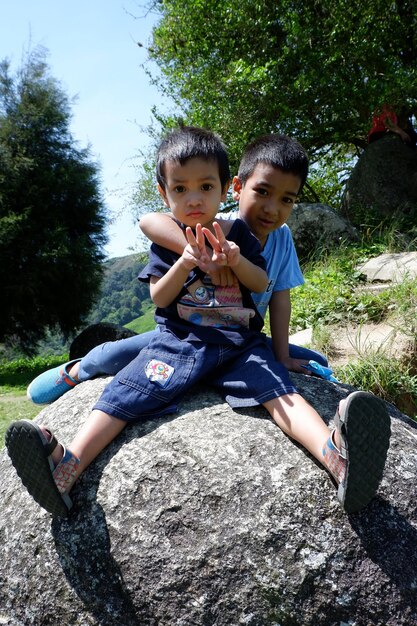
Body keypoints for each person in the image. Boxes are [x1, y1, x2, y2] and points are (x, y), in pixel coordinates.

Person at [6, 126, 390, 519]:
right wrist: (188, 258)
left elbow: (265, 283)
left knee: (281, 392)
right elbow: (159, 295)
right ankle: (66, 467)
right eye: (181, 190)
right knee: (127, 390)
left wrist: (236, 260)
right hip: (180, 341)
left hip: (239, 343)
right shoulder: (171, 238)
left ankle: (335, 455)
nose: (194, 199)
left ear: (224, 189)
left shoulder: (238, 233)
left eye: (205, 188)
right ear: (165, 193)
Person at [26, 134, 328, 406]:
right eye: (262, 192)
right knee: (120, 354)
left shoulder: (282, 236)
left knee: (315, 361)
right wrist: (204, 254)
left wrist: (282, 356)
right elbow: (148, 221)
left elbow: (279, 298)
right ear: (234, 188)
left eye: (286, 199)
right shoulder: (215, 221)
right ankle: (80, 368)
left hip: (240, 337)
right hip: (187, 333)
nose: (271, 208)